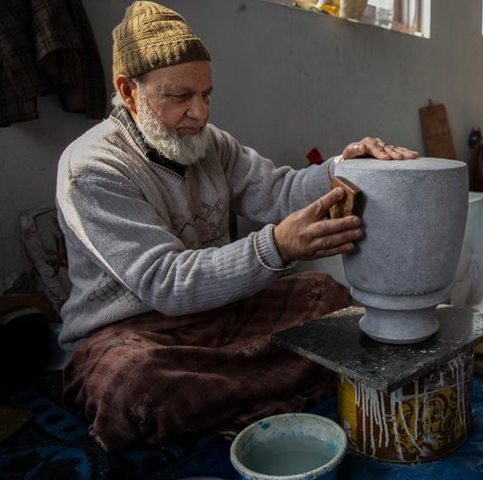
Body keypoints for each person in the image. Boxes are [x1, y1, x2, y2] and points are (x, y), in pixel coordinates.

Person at [55, 0, 418, 451]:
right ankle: (274, 385)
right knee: (132, 385)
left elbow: (279, 191)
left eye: (206, 95)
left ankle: (233, 397)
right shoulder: (92, 168)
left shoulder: (212, 145)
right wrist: (276, 248)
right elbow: (164, 283)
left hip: (219, 314)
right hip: (136, 332)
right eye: (180, 97)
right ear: (129, 91)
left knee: (329, 298)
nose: (200, 114)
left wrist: (344, 166)